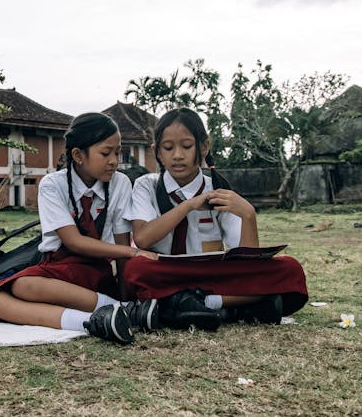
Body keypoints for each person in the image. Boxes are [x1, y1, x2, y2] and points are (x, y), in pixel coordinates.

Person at [0, 113, 160, 345]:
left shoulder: (120, 183)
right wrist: (133, 253)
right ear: (77, 155)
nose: (114, 160)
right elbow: (73, 241)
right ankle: (98, 320)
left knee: (23, 286)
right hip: (56, 268)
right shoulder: (53, 185)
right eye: (106, 153)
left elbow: (121, 245)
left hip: (94, 272)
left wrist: (126, 293)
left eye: (118, 152)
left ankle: (122, 307)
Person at [123, 108, 308, 330]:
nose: (178, 155)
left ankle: (196, 304)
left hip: (212, 274)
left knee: (290, 269)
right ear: (157, 152)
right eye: (168, 148)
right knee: (136, 269)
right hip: (166, 272)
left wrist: (248, 215)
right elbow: (142, 238)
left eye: (187, 146)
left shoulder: (218, 190)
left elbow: (247, 262)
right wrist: (188, 205)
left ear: (203, 146)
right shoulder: (147, 185)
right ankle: (237, 306)